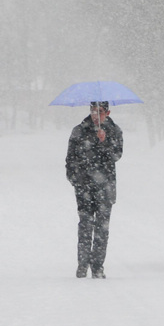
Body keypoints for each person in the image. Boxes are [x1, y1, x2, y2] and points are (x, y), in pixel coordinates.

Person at [65, 101, 123, 279]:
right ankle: (82, 265)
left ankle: (98, 266)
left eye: (99, 111)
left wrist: (104, 142)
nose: (95, 114)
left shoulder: (114, 131)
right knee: (85, 225)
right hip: (84, 187)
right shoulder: (79, 130)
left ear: (108, 112)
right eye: (92, 110)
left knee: (102, 228)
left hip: (105, 188)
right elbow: (70, 158)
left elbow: (116, 155)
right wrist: (76, 179)